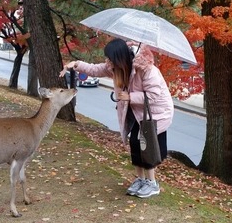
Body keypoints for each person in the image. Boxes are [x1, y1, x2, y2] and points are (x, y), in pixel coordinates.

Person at [60, 38, 173, 198]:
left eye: (109, 59)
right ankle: (140, 180)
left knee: (146, 147)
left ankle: (152, 183)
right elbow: (95, 69)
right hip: (136, 112)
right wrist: (76, 64)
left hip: (155, 114)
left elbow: (154, 95)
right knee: (135, 144)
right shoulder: (115, 68)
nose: (107, 62)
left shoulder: (147, 69)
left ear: (119, 58)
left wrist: (130, 96)